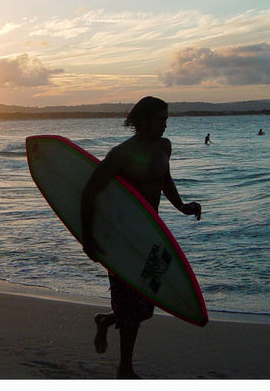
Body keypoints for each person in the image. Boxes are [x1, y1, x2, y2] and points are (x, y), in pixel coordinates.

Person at [80, 96, 202, 379]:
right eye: (161, 119)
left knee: (146, 305)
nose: (165, 125)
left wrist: (182, 206)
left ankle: (106, 320)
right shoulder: (121, 154)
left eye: (166, 119)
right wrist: (88, 239)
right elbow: (89, 192)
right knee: (133, 305)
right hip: (122, 239)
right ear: (144, 120)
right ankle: (125, 370)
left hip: (152, 235)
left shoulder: (164, 147)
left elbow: (165, 181)